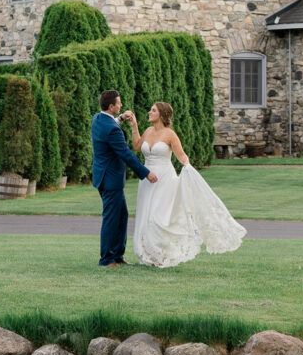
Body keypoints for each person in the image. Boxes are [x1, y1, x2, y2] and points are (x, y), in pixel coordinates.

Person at [121, 101, 246, 268]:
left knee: (160, 217)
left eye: (153, 110)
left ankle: (162, 254)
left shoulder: (170, 134)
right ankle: (147, 253)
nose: (149, 112)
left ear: (162, 115)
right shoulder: (148, 131)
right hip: (146, 179)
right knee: (146, 215)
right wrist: (134, 125)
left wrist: (188, 169)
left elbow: (181, 156)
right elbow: (137, 146)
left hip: (164, 179)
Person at [92, 89, 158, 267]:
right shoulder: (112, 129)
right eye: (119, 103)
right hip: (110, 179)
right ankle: (106, 259)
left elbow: (111, 122)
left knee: (121, 215)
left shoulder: (98, 119)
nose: (121, 105)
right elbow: (125, 154)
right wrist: (145, 172)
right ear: (111, 106)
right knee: (112, 218)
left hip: (103, 177)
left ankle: (117, 255)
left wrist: (121, 118)